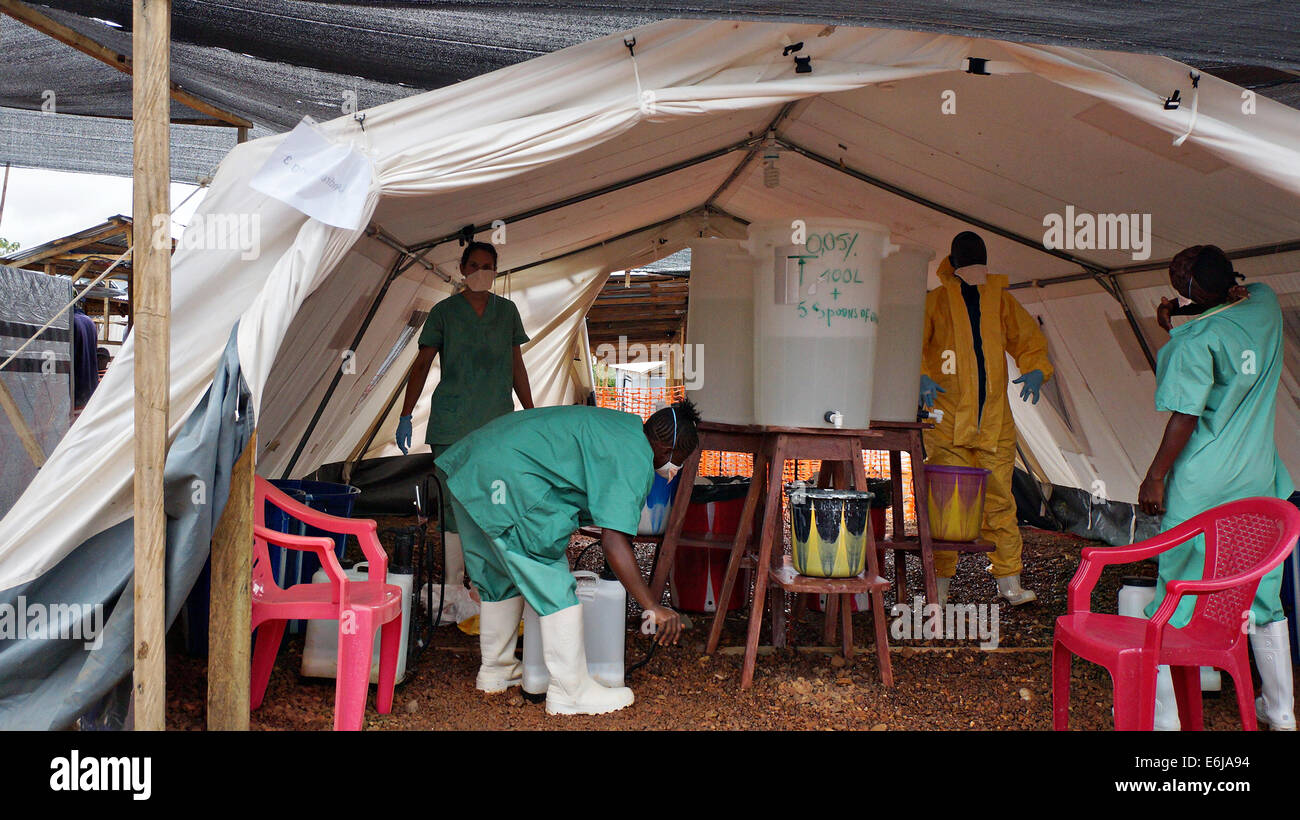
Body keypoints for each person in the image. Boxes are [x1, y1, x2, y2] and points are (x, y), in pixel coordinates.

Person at [435, 401, 697, 715]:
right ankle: (570, 691)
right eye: (677, 461)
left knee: (497, 575)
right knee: (549, 573)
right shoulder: (635, 456)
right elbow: (614, 542)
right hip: (511, 479)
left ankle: (496, 669)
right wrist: (651, 605)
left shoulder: (617, 427)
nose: (673, 470)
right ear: (665, 446)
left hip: (476, 465)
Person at [1139, 245, 1295, 731]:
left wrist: (1156, 475)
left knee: (1182, 585)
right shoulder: (1266, 303)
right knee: (1261, 589)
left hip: (1202, 480)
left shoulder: (1190, 345)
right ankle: (1283, 712)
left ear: (1189, 292)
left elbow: (1185, 415)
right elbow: (1229, 313)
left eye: (1178, 282)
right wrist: (1186, 315)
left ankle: (1168, 716)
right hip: (1256, 477)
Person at [395, 241, 534, 608]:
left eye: (488, 266)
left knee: (494, 500)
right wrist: (406, 413)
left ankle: (488, 584)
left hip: (496, 424)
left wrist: (531, 411)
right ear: (461, 269)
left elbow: (516, 366)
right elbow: (422, 365)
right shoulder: (444, 312)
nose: (480, 272)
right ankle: (455, 586)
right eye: (474, 265)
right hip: (452, 424)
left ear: (496, 270)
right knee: (455, 506)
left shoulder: (507, 312)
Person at [919, 231, 1053, 605]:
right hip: (948, 422)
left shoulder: (1000, 301)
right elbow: (915, 342)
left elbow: (1027, 339)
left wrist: (1037, 368)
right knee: (948, 504)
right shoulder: (937, 302)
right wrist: (921, 376)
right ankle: (939, 586)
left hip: (994, 421)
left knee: (999, 500)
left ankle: (1009, 581)